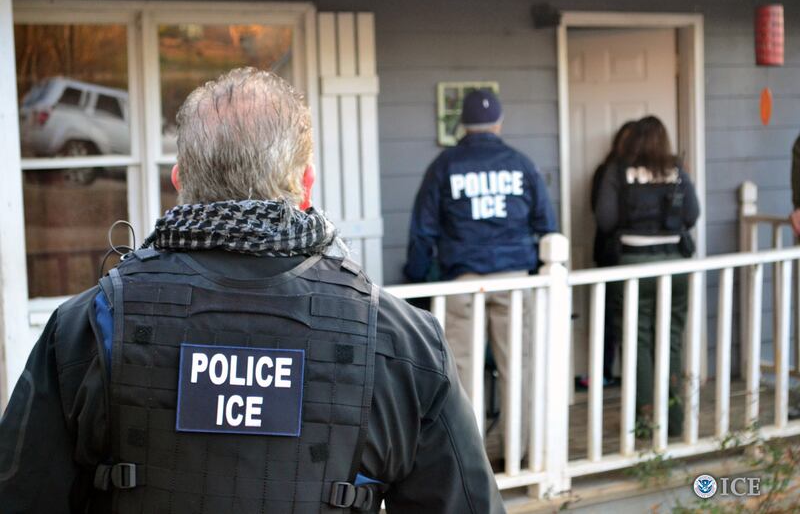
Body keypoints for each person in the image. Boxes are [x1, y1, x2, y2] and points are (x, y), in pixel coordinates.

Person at [0, 68, 505, 514]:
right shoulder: (405, 343)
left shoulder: (86, 328)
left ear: (180, 180)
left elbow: (21, 495)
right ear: (306, 184)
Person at [404, 89, 557, 456]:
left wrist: (416, 277)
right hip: (515, 279)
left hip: (463, 282)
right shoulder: (521, 164)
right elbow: (547, 224)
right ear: (499, 122)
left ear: (463, 126)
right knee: (517, 367)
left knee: (461, 372)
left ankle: (466, 457)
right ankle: (517, 452)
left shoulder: (444, 166)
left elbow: (423, 229)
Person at [595, 115, 700, 438]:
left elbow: (605, 218)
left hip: (634, 264)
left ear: (632, 142)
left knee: (637, 341)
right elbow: (692, 215)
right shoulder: (676, 171)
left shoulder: (618, 171)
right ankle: (675, 418)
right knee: (671, 340)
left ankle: (646, 420)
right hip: (675, 266)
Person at [591, 120, 636, 386]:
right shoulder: (606, 172)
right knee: (609, 318)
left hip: (626, 255)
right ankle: (605, 371)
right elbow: (601, 215)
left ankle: (627, 373)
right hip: (609, 254)